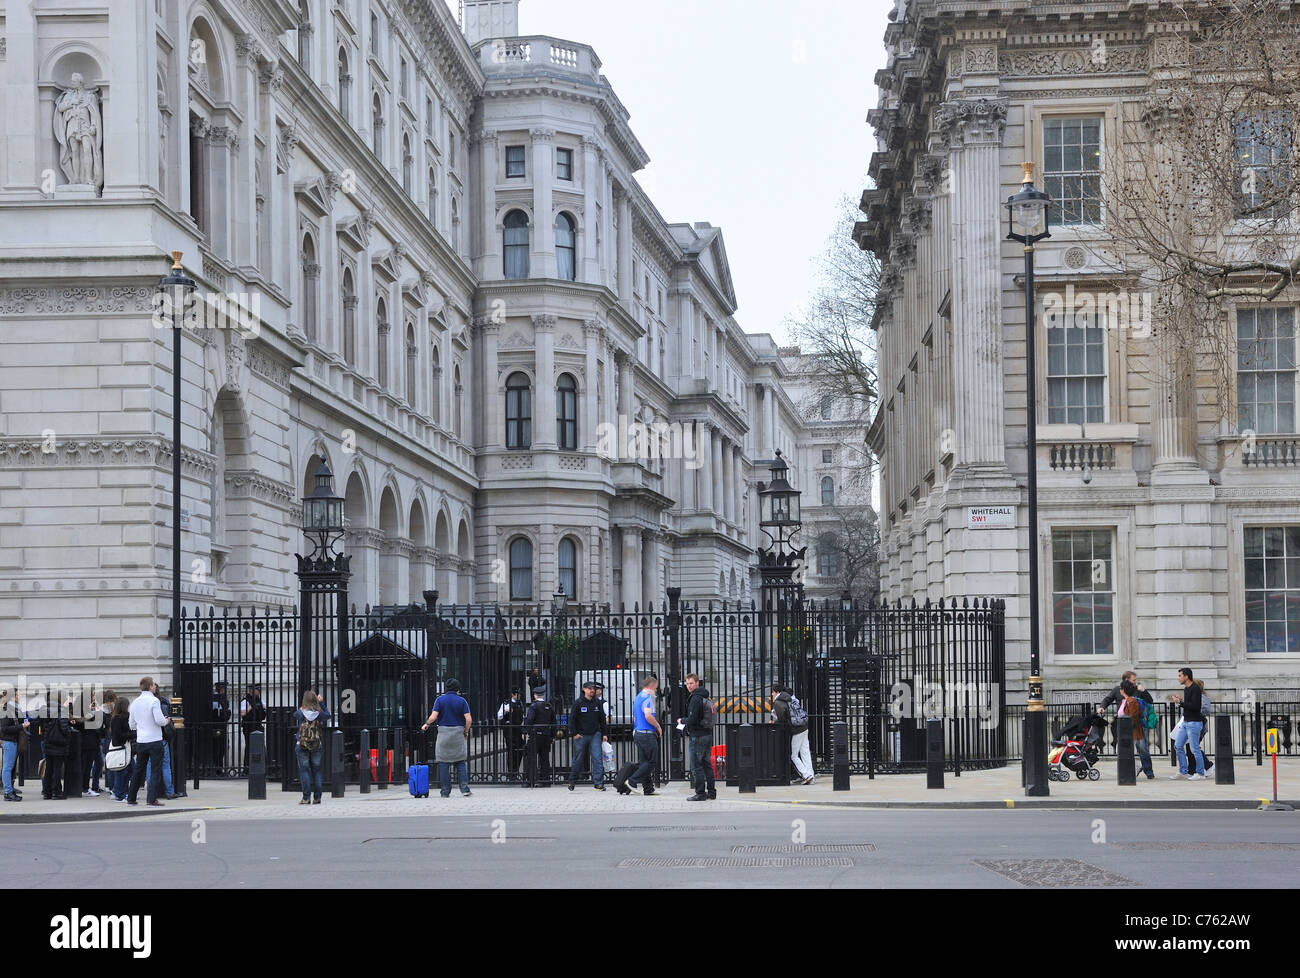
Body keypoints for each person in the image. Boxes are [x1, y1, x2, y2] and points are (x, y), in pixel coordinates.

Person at [421, 679, 472, 798]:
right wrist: (466, 731)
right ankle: (464, 789)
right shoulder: (462, 701)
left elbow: (433, 717)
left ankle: (445, 791)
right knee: (460, 762)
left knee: (443, 763)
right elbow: (468, 719)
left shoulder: (439, 700)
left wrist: (426, 724)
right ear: (457, 689)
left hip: (443, 734)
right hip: (458, 733)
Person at [127, 676, 171, 806]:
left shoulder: (135, 702)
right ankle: (151, 799)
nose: (155, 687)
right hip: (155, 740)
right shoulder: (154, 701)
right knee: (155, 770)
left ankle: (131, 797)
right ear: (151, 686)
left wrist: (141, 726)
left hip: (141, 741)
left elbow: (131, 725)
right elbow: (160, 721)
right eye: (154, 685)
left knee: (139, 770)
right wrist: (166, 721)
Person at [619, 675, 661, 796]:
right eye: (656, 688)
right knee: (652, 761)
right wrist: (657, 726)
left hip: (638, 733)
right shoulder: (648, 698)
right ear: (652, 686)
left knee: (644, 762)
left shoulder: (638, 697)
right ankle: (632, 781)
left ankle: (648, 788)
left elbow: (635, 717)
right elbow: (648, 716)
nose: (656, 691)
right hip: (647, 733)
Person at [292, 690, 331, 805]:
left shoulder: (300, 713)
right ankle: (317, 798)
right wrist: (321, 703)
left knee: (304, 771)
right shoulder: (319, 714)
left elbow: (295, 714)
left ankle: (306, 798)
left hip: (302, 744)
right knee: (317, 771)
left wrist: (302, 707)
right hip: (316, 744)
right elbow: (328, 715)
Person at [567, 681, 608, 791]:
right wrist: (574, 733)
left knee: (597, 758)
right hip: (581, 735)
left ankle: (598, 783)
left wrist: (604, 733)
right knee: (578, 759)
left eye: (593, 689)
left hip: (595, 734)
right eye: (589, 688)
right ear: (584, 689)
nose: (592, 691)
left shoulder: (597, 703)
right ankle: (572, 781)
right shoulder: (578, 703)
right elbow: (572, 720)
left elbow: (602, 719)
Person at [771, 684, 814, 785]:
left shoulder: (779, 702)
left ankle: (806, 775)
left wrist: (774, 723)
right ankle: (810, 774)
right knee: (805, 753)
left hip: (796, 730)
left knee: (793, 756)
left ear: (777, 692)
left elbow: (782, 719)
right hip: (804, 726)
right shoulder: (791, 698)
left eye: (772, 692)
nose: (772, 694)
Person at [683, 673, 717, 801]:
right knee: (706, 763)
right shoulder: (704, 696)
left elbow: (693, 719)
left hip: (697, 736)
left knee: (696, 765)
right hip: (707, 734)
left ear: (697, 683)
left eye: (691, 683)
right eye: (687, 683)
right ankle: (712, 792)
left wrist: (682, 720)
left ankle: (700, 793)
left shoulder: (695, 698)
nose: (689, 686)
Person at [1170, 667, 1206, 781]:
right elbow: (1189, 705)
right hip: (1186, 722)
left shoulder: (1195, 689)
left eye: (1180, 675)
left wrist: (1180, 703)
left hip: (1194, 723)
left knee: (1194, 748)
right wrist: (1182, 702)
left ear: (1186, 676)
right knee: (1178, 745)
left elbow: (1195, 707)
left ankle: (1200, 773)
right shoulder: (1187, 689)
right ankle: (1183, 771)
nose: (1178, 678)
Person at [148, 682, 179, 799]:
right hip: (161, 739)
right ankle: (169, 792)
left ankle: (152, 792)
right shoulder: (164, 703)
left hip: (147, 739)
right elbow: (164, 721)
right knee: (165, 765)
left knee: (150, 765)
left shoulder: (143, 703)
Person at [1119, 680, 1154, 780]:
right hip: (1128, 730)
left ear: (1123, 690)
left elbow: (1133, 717)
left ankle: (1147, 771)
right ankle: (1135, 768)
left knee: (1142, 749)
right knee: (1126, 751)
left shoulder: (1132, 701)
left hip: (1135, 730)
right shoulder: (1125, 701)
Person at [523, 691, 556, 787]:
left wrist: (525, 731)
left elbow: (529, 720)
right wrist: (553, 736)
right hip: (546, 736)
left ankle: (530, 780)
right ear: (543, 695)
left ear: (534, 695)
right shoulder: (549, 706)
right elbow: (553, 722)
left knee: (531, 758)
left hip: (535, 735)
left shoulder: (534, 706)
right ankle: (545, 780)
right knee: (544, 759)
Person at [1, 697, 28, 802]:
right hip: (8, 741)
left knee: (9, 767)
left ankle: (9, 791)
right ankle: (8, 792)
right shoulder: (6, 710)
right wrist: (21, 726)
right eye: (17, 695)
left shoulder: (14, 710)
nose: (19, 697)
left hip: (13, 741)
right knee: (7, 768)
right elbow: (5, 729)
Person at [41, 709, 71, 800]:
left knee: (48, 769)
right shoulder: (61, 712)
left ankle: (47, 792)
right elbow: (64, 729)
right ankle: (56, 792)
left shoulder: (46, 711)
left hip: (48, 743)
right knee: (57, 769)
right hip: (59, 745)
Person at [107, 696, 133, 801]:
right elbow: (118, 735)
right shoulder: (117, 719)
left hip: (125, 748)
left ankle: (122, 791)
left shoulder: (125, 717)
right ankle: (119, 793)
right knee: (121, 771)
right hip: (120, 748)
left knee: (129, 770)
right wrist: (133, 734)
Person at [496, 688, 526, 780]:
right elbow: (499, 715)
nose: (519, 696)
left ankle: (516, 770)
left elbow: (523, 716)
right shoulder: (506, 703)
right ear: (513, 694)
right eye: (517, 694)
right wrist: (505, 711)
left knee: (520, 750)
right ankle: (511, 772)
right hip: (509, 729)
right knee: (511, 750)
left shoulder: (520, 703)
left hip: (518, 729)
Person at [240, 684, 266, 772]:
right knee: (249, 746)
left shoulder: (260, 700)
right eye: (257, 689)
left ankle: (261, 767)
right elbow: (242, 713)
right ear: (251, 691)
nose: (259, 691)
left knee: (261, 746)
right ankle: (247, 768)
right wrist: (251, 706)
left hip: (258, 725)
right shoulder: (245, 701)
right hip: (248, 726)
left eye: (259, 689)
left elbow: (266, 708)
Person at [210, 682, 231, 775]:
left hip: (222, 726)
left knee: (222, 747)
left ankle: (219, 768)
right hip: (216, 726)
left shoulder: (224, 699)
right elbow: (216, 713)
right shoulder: (215, 699)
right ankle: (216, 768)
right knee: (217, 748)